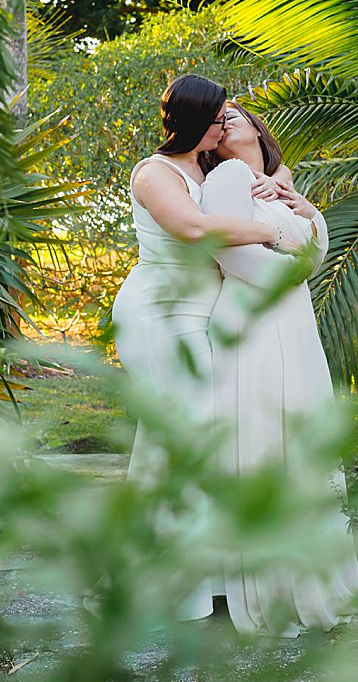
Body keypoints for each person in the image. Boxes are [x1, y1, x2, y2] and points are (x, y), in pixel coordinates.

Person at [111, 74, 304, 621]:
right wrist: (271, 235)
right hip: (159, 314)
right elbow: (194, 228)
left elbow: (267, 163)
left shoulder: (210, 167)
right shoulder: (156, 172)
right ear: (198, 120)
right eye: (220, 116)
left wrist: (280, 182)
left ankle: (197, 573)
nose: (227, 124)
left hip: (206, 314)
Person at [198, 100, 358, 637]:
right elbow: (231, 256)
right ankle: (263, 581)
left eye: (235, 113)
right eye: (218, 117)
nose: (226, 120)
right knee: (265, 437)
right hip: (252, 319)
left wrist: (302, 208)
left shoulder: (273, 183)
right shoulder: (225, 178)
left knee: (301, 435)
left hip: (292, 320)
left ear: (256, 129)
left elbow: (316, 256)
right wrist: (289, 264)